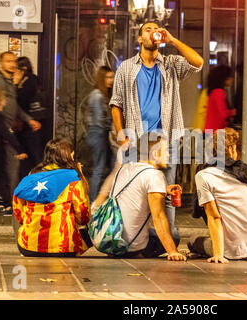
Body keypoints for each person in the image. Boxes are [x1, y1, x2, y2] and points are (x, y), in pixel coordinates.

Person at [110, 21, 204, 244]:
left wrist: (172, 41)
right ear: (140, 39)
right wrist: (121, 134)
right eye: (147, 30)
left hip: (166, 140)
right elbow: (116, 104)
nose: (153, 32)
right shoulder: (126, 68)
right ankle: (133, 236)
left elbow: (198, 63)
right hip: (137, 140)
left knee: (168, 191)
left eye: (156, 29)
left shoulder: (170, 64)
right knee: (135, 190)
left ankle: (167, 239)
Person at [189, 128, 247, 263]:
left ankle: (220, 248)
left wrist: (218, 255)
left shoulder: (204, 176)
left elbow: (214, 218)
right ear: (233, 149)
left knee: (193, 241)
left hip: (232, 252)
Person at [108, 132, 186, 261]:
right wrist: (172, 251)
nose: (168, 155)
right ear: (155, 154)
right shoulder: (155, 175)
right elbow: (159, 217)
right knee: (175, 235)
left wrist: (164, 190)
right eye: (166, 151)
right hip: (130, 246)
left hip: (112, 239)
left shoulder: (125, 168)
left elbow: (135, 191)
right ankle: (138, 252)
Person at [13, 138, 92, 257]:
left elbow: (18, 212)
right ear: (67, 156)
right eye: (72, 155)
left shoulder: (30, 177)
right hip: (64, 248)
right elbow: (83, 216)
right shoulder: (72, 179)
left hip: (28, 247)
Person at [0, 51, 41, 211]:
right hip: (1, 131)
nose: (12, 64)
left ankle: (8, 202)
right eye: (8, 61)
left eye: (14, 61)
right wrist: (4, 129)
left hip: (7, 130)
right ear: (1, 63)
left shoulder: (9, 81)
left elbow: (13, 105)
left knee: (6, 166)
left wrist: (28, 119)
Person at [87, 66, 115, 201]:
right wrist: (113, 129)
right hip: (98, 133)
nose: (111, 80)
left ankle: (100, 198)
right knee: (99, 168)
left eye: (112, 77)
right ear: (102, 78)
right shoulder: (97, 95)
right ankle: (93, 201)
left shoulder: (100, 94)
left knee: (105, 166)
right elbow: (100, 120)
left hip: (98, 133)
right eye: (108, 77)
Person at [16, 56, 45, 179]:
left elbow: (21, 99)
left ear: (22, 68)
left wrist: (16, 85)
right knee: (32, 156)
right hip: (32, 122)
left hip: (31, 123)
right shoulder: (34, 79)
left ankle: (42, 183)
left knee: (34, 156)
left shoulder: (28, 80)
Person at [203, 65, 236, 132]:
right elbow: (223, 113)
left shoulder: (213, 92)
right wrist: (233, 112)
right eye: (230, 77)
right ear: (224, 79)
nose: (232, 79)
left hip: (210, 129)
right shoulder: (219, 92)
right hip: (216, 131)